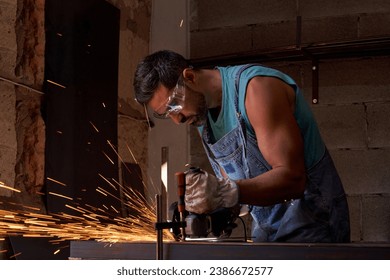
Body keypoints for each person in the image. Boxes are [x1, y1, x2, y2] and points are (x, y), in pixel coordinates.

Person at [133, 50, 350, 242]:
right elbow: (240, 188)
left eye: (174, 105)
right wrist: (211, 208)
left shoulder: (256, 89)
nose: (176, 119)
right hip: (267, 226)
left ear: (189, 77)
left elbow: (293, 179)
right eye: (166, 114)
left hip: (313, 222)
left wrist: (225, 191)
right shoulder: (200, 115)